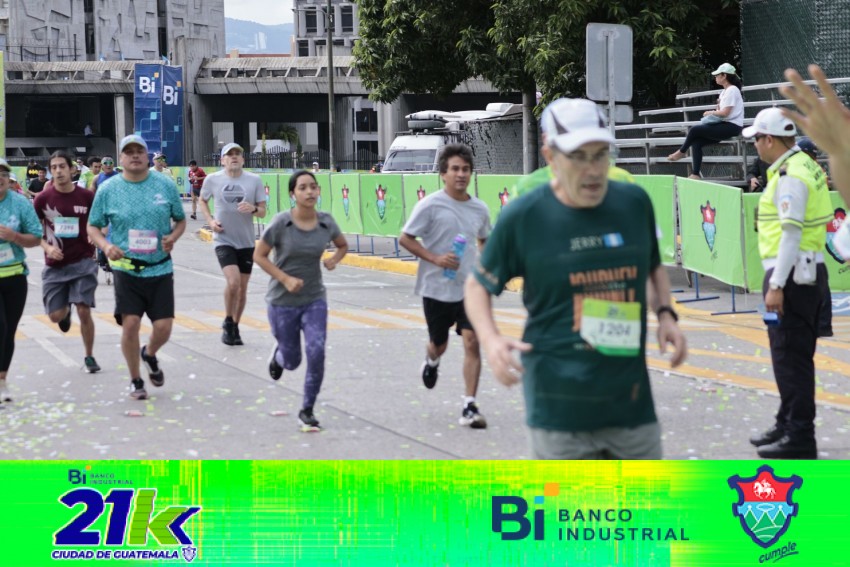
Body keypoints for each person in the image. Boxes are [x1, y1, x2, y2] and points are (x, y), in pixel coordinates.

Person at [464, 98, 687, 459]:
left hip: (631, 406)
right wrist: (491, 341)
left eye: (600, 155)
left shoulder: (633, 203)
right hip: (558, 409)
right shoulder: (525, 215)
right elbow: (477, 286)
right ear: (550, 157)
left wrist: (666, 315)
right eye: (578, 157)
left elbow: (651, 265)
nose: (593, 170)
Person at [743, 107, 831, 459]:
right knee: (793, 356)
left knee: (789, 358)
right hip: (803, 272)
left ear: (769, 139)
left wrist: (776, 285)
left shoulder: (791, 175)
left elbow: (791, 234)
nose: (755, 146)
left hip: (791, 274)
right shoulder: (804, 165)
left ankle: (799, 436)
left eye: (756, 139)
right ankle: (787, 423)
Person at [399, 143, 492, 429]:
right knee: (439, 345)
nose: (461, 174)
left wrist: (487, 269)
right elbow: (406, 238)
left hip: (469, 288)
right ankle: (432, 360)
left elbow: (484, 240)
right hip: (436, 288)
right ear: (443, 173)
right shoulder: (430, 205)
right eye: (455, 169)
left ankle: (469, 405)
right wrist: (436, 258)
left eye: (465, 169)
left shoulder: (479, 208)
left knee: (472, 341)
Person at [86, 135, 187, 400]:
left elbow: (180, 220)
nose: (134, 156)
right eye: (128, 152)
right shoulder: (108, 189)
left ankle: (149, 353)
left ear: (147, 156)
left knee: (163, 327)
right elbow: (93, 226)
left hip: (160, 267)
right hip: (126, 268)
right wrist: (106, 246)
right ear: (121, 158)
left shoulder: (164, 185)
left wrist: (173, 237)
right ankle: (135, 380)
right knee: (130, 324)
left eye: (139, 151)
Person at [253, 170, 348, 431]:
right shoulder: (281, 222)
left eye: (313, 187)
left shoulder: (326, 222)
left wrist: (334, 260)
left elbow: (342, 245)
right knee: (292, 360)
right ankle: (279, 355)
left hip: (314, 298)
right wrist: (284, 279)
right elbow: (259, 255)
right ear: (293, 194)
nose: (309, 192)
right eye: (303, 187)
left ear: (318, 191)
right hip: (282, 301)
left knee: (316, 351)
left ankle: (307, 410)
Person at [33, 151, 101, 373]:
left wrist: (95, 235)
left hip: (83, 261)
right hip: (56, 264)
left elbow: (99, 221)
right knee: (55, 316)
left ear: (72, 169)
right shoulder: (43, 199)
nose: (58, 171)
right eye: (54, 167)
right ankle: (65, 311)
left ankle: (89, 356)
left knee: (84, 310)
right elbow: (32, 230)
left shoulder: (86, 196)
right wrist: (47, 247)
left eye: (62, 166)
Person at [200, 143, 266, 346]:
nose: (234, 157)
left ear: (243, 159)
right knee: (234, 282)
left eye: (238, 154)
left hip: (246, 241)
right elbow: (202, 200)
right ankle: (228, 320)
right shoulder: (213, 179)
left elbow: (263, 211)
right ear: (222, 160)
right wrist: (211, 221)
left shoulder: (254, 180)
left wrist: (252, 208)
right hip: (223, 239)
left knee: (242, 289)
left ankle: (234, 326)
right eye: (229, 154)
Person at [0, 158, 43, 405]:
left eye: (3, 173)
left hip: (15, 276)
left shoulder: (19, 203)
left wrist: (14, 236)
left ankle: (2, 380)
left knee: (8, 332)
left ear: (9, 178)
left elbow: (36, 237)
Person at [668, 63, 744, 179]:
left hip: (732, 126)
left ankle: (682, 152)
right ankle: (695, 174)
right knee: (696, 142)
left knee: (694, 130)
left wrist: (710, 112)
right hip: (724, 124)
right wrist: (716, 109)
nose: (715, 77)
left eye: (717, 75)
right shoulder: (724, 92)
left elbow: (725, 113)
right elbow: (722, 112)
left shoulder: (732, 90)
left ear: (724, 76)